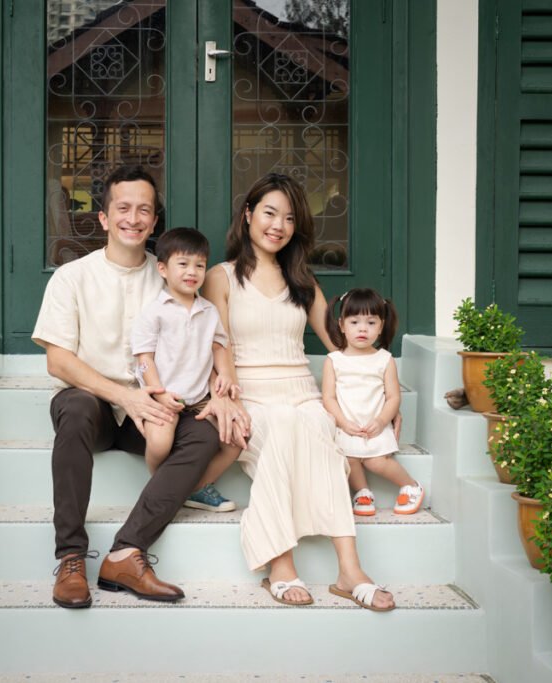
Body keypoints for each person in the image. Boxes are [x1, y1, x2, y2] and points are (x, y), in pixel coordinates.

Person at [32, 165, 245, 609]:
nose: (134, 218)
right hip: (98, 404)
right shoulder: (72, 278)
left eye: (144, 210)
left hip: (159, 408)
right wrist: (126, 396)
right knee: (74, 407)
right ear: (105, 218)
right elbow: (58, 360)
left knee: (206, 431)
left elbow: (207, 338)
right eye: (123, 208)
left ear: (153, 220)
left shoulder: (173, 272)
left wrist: (221, 394)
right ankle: (71, 557)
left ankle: (127, 553)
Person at [199, 172, 396, 611]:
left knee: (316, 426)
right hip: (250, 391)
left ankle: (350, 571)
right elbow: (219, 342)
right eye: (269, 213)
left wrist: (387, 393)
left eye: (289, 218)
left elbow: (339, 343)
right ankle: (280, 564)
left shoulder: (301, 280)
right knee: (284, 427)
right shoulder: (222, 276)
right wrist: (227, 394)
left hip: (302, 390)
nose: (278, 225)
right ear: (248, 214)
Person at [130, 227, 242, 511]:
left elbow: (219, 347)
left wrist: (226, 373)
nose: (192, 271)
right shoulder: (154, 311)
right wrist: (158, 393)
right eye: (183, 264)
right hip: (166, 393)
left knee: (235, 440)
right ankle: (162, 483)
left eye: (200, 265)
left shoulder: (208, 311)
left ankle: (194, 488)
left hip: (200, 396)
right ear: (163, 269)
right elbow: (144, 358)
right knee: (159, 443)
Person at [321, 288, 424, 517]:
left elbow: (393, 396)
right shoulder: (334, 361)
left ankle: (410, 485)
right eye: (354, 321)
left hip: (375, 425)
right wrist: (343, 422)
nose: (362, 328)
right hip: (347, 424)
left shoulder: (384, 359)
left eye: (370, 322)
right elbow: (328, 397)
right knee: (349, 459)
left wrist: (381, 421)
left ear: (381, 326)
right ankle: (362, 492)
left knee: (375, 462)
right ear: (341, 325)